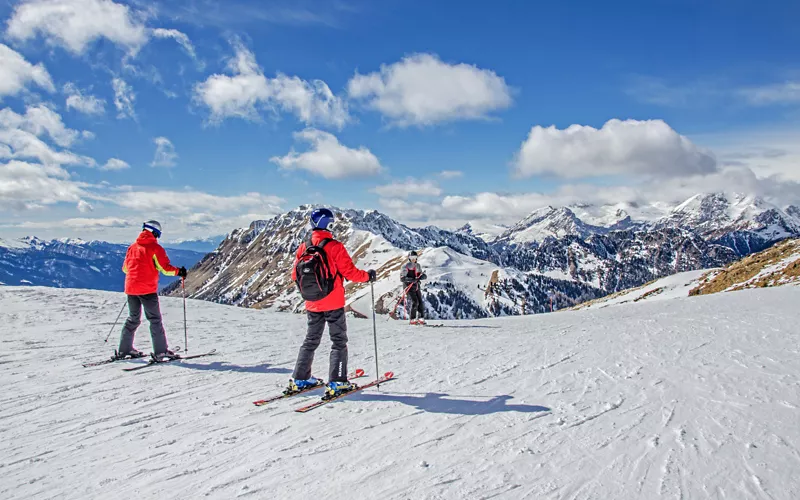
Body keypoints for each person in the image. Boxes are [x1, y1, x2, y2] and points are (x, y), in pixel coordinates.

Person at [289, 208, 377, 398]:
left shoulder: (303, 247)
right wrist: (368, 276)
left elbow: (294, 275)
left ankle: (300, 379)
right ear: (329, 224)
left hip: (312, 302)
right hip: (333, 302)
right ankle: (337, 382)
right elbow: (350, 272)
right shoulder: (334, 246)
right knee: (338, 341)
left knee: (311, 340)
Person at [117, 220, 187, 361]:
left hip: (131, 289)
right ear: (155, 233)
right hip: (147, 290)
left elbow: (125, 268)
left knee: (133, 319)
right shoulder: (156, 249)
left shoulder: (132, 247)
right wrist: (179, 271)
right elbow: (165, 268)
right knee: (155, 320)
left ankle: (124, 350)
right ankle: (160, 352)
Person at [401, 250, 427, 325]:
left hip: (416, 286)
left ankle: (421, 318)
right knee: (415, 301)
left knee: (420, 302)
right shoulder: (405, 266)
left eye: (415, 257)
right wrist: (412, 280)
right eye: (412, 257)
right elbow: (402, 278)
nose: (413, 259)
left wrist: (423, 277)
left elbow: (419, 275)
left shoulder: (418, 266)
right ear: (409, 258)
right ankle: (412, 319)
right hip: (408, 286)